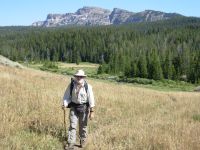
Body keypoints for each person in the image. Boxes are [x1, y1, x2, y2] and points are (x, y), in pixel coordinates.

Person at [62, 69, 95, 150]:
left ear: (83, 77)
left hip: (84, 108)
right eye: (77, 76)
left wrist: (92, 111)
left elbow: (91, 99)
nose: (79, 78)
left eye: (81, 76)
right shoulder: (71, 85)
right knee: (72, 125)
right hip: (73, 107)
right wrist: (65, 104)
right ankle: (71, 143)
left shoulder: (88, 87)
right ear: (75, 77)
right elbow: (66, 96)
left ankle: (83, 141)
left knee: (83, 126)